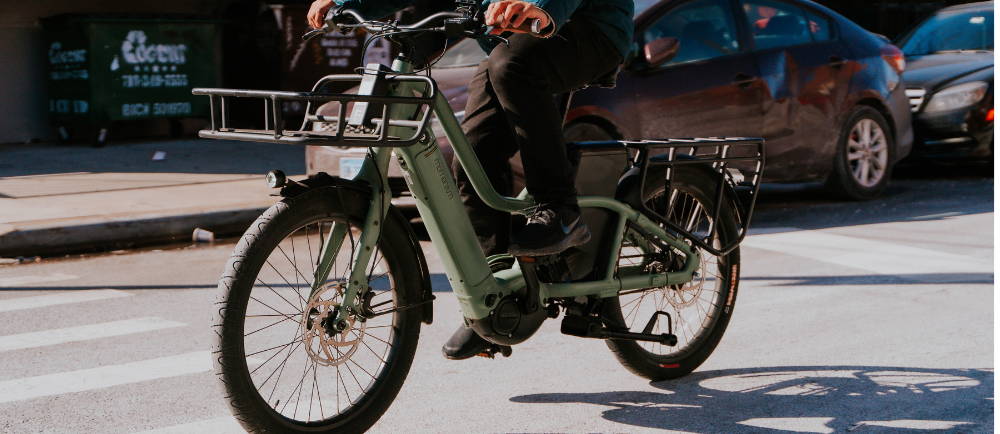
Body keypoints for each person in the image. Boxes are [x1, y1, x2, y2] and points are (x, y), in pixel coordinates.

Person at [308, 0, 633, 359]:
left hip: (587, 29)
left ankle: (560, 210)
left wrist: (538, 4)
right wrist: (346, 4)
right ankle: (490, 301)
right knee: (472, 157)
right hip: (513, 41)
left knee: (513, 67)